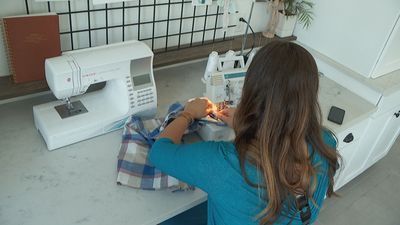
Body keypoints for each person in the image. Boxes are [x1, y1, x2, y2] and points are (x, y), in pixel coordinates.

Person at [149, 41, 340, 225]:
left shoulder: (225, 162)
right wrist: (249, 126)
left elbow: (159, 153)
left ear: (250, 90)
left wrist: (187, 114)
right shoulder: (326, 143)